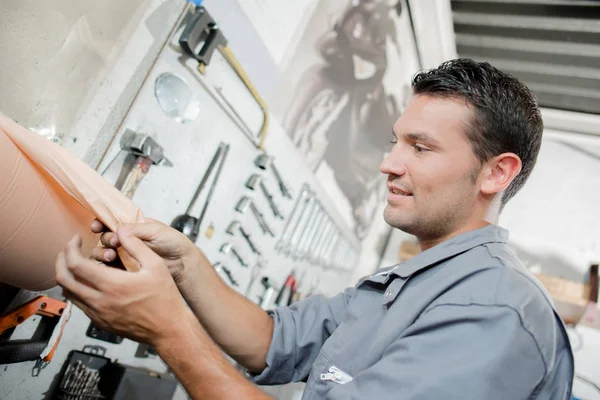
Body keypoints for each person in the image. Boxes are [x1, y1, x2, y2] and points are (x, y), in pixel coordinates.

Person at [56, 59, 574, 399]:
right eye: (397, 142)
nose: (388, 164)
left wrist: (166, 328)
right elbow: (272, 340)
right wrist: (187, 267)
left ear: (495, 172)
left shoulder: (493, 310)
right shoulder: (415, 281)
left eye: (420, 147)